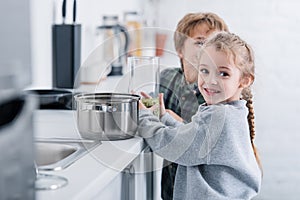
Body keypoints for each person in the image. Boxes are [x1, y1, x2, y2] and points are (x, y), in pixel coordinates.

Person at [138, 32, 262, 200]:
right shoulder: (231, 111)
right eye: (204, 71)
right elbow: (193, 137)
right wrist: (162, 117)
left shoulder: (220, 117)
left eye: (223, 73)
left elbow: (174, 146)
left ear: (244, 80)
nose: (211, 80)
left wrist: (145, 118)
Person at [159, 12, 229, 200]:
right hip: (171, 190)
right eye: (200, 42)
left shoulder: (220, 95)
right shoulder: (167, 79)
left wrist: (171, 120)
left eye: (215, 42)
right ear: (180, 50)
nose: (208, 49)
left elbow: (203, 147)